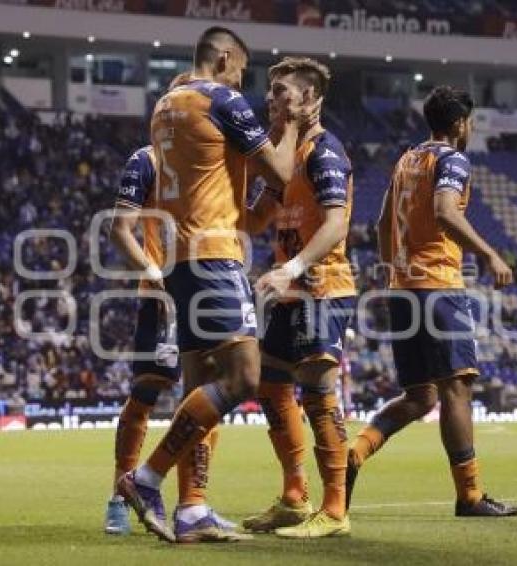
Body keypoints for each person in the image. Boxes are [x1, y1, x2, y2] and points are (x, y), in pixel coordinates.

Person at [116, 26, 312, 543]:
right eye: (241, 70)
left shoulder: (164, 104)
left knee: (198, 381)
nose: (241, 80)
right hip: (214, 255)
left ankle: (192, 510)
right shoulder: (222, 98)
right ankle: (146, 478)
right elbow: (281, 169)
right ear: (224, 58)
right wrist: (290, 124)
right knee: (245, 377)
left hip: (179, 260)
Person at [345, 86, 517, 518]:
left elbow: (384, 220)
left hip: (403, 287)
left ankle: (353, 454)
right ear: (460, 123)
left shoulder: (406, 160)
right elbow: (445, 210)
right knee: (457, 388)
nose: (472, 128)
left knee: (420, 397)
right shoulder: (451, 159)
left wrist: (390, 271)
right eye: (471, 121)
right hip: (438, 285)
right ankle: (471, 495)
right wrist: (489, 253)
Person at [240, 57, 356, 538]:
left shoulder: (325, 152)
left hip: (321, 287)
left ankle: (334, 510)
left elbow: (336, 223)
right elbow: (253, 221)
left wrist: (290, 267)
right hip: (290, 295)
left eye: (283, 91)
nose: (272, 98)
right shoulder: (284, 158)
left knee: (317, 393)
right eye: (270, 91)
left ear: (312, 100)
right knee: (269, 388)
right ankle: (293, 496)